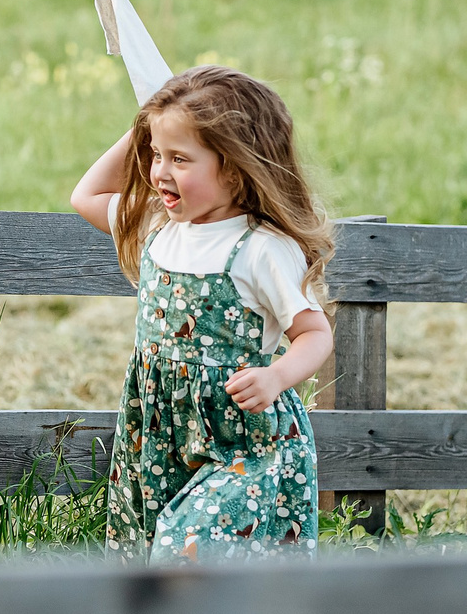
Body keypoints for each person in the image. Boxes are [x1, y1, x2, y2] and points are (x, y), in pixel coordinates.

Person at [70, 66, 335, 561]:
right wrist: (152, 120)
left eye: (180, 159)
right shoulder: (156, 224)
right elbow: (84, 196)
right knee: (147, 552)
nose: (160, 172)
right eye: (155, 155)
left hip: (240, 438)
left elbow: (315, 334)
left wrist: (277, 377)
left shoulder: (260, 249)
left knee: (187, 548)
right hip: (156, 428)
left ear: (234, 168)